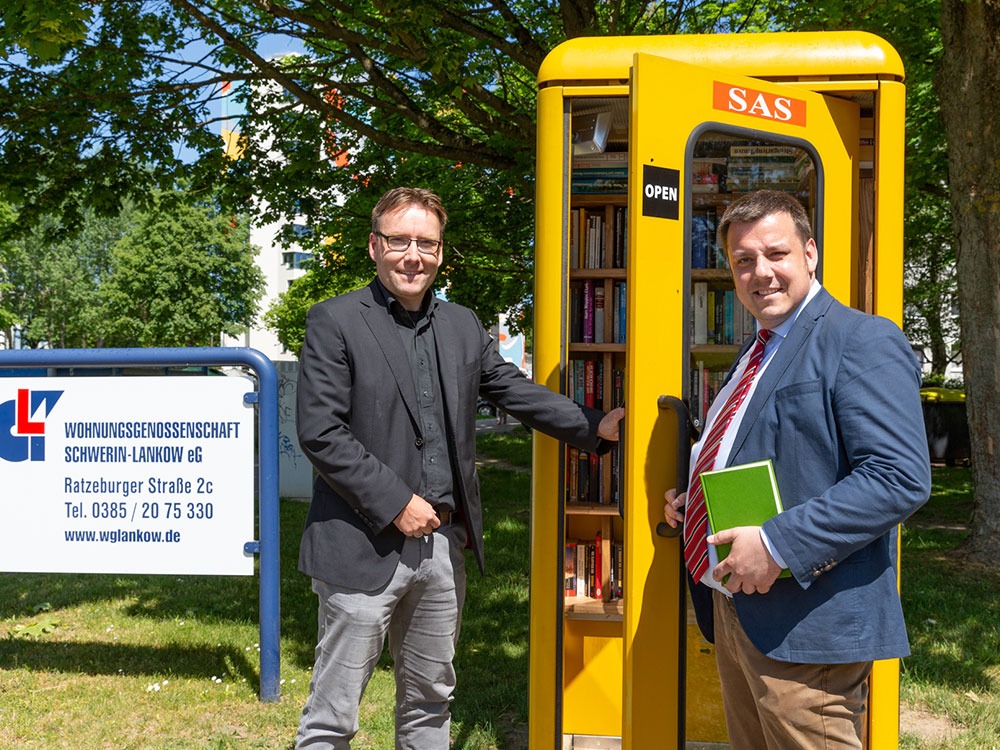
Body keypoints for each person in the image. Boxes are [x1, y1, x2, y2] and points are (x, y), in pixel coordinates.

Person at [294, 187, 624, 749]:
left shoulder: (463, 325)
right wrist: (397, 503)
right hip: (359, 546)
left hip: (443, 548)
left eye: (426, 243)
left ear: (441, 252)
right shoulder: (336, 320)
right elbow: (322, 433)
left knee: (430, 701)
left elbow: (512, 390)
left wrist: (594, 427)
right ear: (374, 246)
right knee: (333, 714)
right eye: (399, 241)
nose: (413, 255)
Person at [663, 190, 930, 750]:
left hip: (810, 623)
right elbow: (769, 453)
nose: (760, 272)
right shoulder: (755, 350)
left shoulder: (861, 338)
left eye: (776, 254)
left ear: (810, 253)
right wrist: (696, 500)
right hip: (739, 608)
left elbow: (898, 476)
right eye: (743, 261)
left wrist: (778, 544)